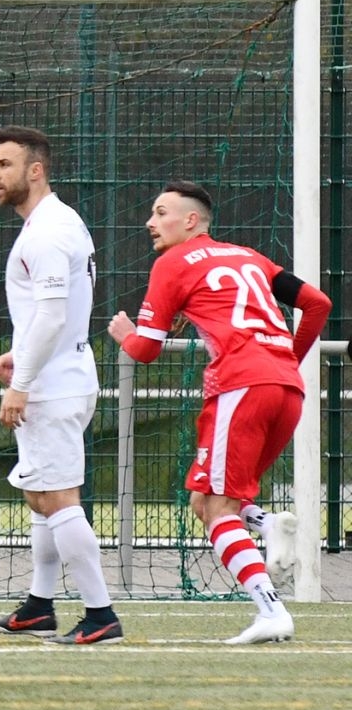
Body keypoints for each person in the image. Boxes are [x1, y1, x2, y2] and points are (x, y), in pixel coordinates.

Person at [108, 179, 332, 644]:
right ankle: (268, 525)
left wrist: (124, 334)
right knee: (205, 501)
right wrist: (288, 356)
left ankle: (271, 612)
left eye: (160, 211)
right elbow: (317, 303)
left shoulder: (171, 263)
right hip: (286, 389)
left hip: (241, 387)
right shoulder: (249, 257)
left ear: (190, 220)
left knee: (217, 507)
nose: (150, 222)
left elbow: (146, 349)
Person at [0, 126, 123, 645]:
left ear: (34, 170)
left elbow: (51, 316)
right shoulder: (62, 221)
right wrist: (22, 357)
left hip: (54, 384)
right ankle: (40, 607)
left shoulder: (45, 231)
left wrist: (21, 380)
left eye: (4, 164)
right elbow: (52, 321)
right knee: (40, 497)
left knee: (59, 498)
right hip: (63, 372)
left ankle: (101, 614)